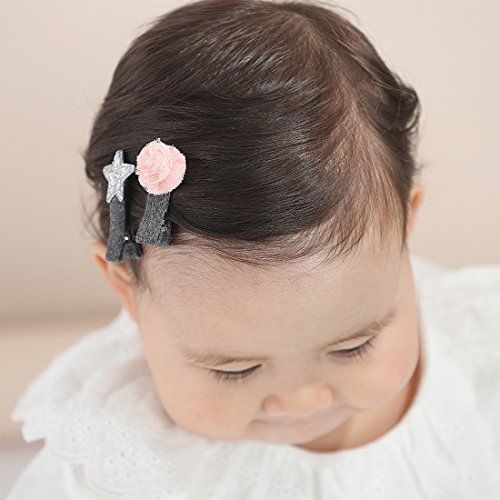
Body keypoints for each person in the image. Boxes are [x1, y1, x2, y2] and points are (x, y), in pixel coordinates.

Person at [7, 0, 499, 498]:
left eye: (353, 347)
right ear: (127, 289)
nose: (302, 401)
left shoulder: (481, 353)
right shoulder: (116, 454)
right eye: (235, 370)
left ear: (406, 225)